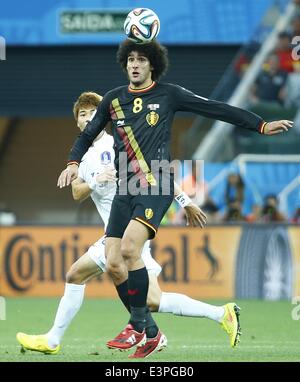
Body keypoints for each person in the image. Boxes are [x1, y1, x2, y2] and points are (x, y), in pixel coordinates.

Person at [57, 39, 293, 358]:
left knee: (128, 249)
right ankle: (153, 331)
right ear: (125, 64)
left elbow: (216, 108)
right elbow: (86, 136)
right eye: (130, 60)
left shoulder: (169, 94)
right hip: (126, 190)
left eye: (142, 59)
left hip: (155, 185)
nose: (135, 64)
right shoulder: (113, 100)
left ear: (152, 64)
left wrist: (260, 125)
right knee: (114, 262)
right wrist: (73, 164)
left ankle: (139, 326)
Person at [17, 92, 236, 358]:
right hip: (113, 233)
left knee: (148, 298)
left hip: (132, 227)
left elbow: (157, 171)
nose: (87, 120)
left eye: (91, 114)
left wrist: (185, 201)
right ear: (77, 123)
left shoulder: (119, 144)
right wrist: (99, 179)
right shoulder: (82, 156)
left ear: (103, 118)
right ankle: (54, 339)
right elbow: (77, 193)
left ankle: (193, 322)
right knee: (81, 277)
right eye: (81, 115)